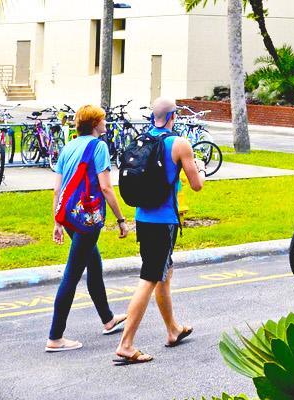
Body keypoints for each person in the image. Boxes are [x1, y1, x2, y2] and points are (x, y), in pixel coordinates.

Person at [114, 97, 208, 365]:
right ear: (173, 117)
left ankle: (172, 329)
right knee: (150, 277)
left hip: (142, 216)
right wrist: (200, 169)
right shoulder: (178, 144)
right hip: (163, 220)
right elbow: (196, 184)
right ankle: (126, 344)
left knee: (163, 273)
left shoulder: (143, 139)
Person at [44, 105, 130, 353]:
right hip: (88, 218)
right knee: (72, 273)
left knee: (94, 264)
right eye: (103, 120)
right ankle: (55, 336)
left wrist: (57, 221)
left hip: (70, 216)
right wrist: (121, 219)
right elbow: (105, 187)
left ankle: (108, 319)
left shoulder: (68, 146)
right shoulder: (99, 147)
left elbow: (57, 189)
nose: (105, 123)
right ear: (95, 123)